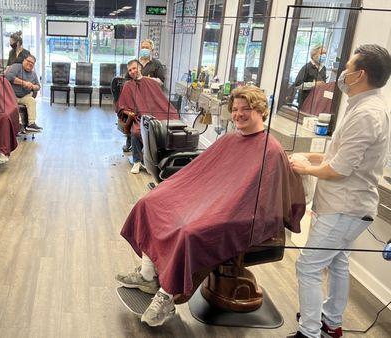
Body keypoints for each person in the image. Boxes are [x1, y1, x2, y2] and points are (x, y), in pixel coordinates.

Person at [116, 85, 306, 327]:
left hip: (241, 214)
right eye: (235, 109)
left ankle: (167, 297)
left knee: (188, 231)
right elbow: (205, 174)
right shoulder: (230, 139)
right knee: (150, 203)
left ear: (260, 110)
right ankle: (147, 275)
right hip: (212, 200)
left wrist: (216, 206)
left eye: (246, 109)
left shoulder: (271, 149)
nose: (239, 114)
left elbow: (263, 200)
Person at [288, 44, 391, 338]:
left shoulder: (367, 114)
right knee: (338, 261)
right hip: (349, 205)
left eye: (347, 68)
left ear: (360, 74)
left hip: (344, 207)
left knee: (308, 267)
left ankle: (309, 333)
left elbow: (339, 169)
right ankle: (331, 322)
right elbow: (339, 156)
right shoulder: (364, 106)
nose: (342, 73)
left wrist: (304, 169)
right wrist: (308, 158)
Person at [116, 59, 175, 174]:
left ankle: (158, 160)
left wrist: (170, 112)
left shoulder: (152, 83)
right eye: (130, 70)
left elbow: (160, 100)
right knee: (136, 131)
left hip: (155, 114)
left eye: (134, 68)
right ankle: (137, 161)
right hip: (139, 117)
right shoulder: (128, 85)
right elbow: (122, 106)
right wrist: (130, 113)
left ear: (140, 68)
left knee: (165, 127)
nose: (132, 71)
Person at [122, 40, 167, 152]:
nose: (144, 49)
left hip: (150, 98)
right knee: (132, 117)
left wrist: (147, 80)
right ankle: (130, 142)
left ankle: (150, 146)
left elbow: (161, 81)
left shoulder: (156, 64)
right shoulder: (135, 63)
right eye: (142, 47)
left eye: (146, 47)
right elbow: (127, 79)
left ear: (151, 49)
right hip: (135, 97)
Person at [5, 54, 42, 132]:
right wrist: (24, 83)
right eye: (28, 61)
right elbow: (8, 76)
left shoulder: (33, 74)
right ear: (24, 60)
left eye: (32, 63)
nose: (30, 64)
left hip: (23, 97)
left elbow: (38, 86)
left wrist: (33, 86)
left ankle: (31, 124)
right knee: (14, 104)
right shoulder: (17, 67)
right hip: (11, 95)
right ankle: (19, 125)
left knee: (31, 101)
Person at [294, 45, 327, 109]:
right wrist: (314, 84)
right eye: (322, 53)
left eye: (325, 54)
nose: (324, 56)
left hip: (317, 102)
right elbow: (297, 85)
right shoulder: (306, 67)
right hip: (305, 101)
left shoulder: (323, 68)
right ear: (313, 55)